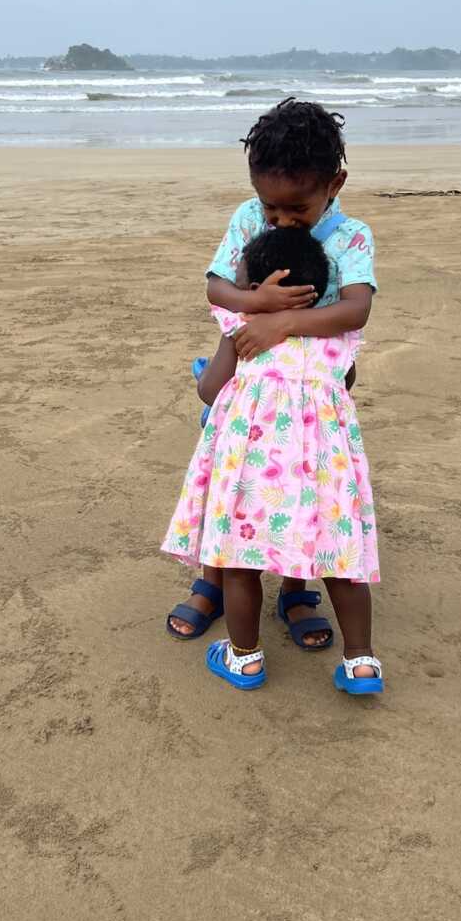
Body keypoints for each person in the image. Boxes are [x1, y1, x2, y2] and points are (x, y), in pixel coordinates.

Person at [167, 99, 377, 647]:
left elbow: (354, 309)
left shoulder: (351, 235)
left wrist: (284, 322)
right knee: (232, 479)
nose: (281, 221)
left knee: (305, 485)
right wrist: (253, 300)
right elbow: (217, 287)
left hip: (315, 383)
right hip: (247, 372)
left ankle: (297, 588)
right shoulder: (245, 217)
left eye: (297, 210)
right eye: (270, 209)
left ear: (335, 183)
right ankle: (211, 577)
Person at [161, 226, 382, 694]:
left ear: (263, 287)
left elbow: (210, 390)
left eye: (244, 280)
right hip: (324, 470)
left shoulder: (241, 327)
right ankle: (361, 662)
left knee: (240, 564)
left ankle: (244, 659)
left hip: (252, 473)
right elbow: (345, 383)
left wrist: (213, 373)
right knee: (341, 562)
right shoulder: (338, 338)